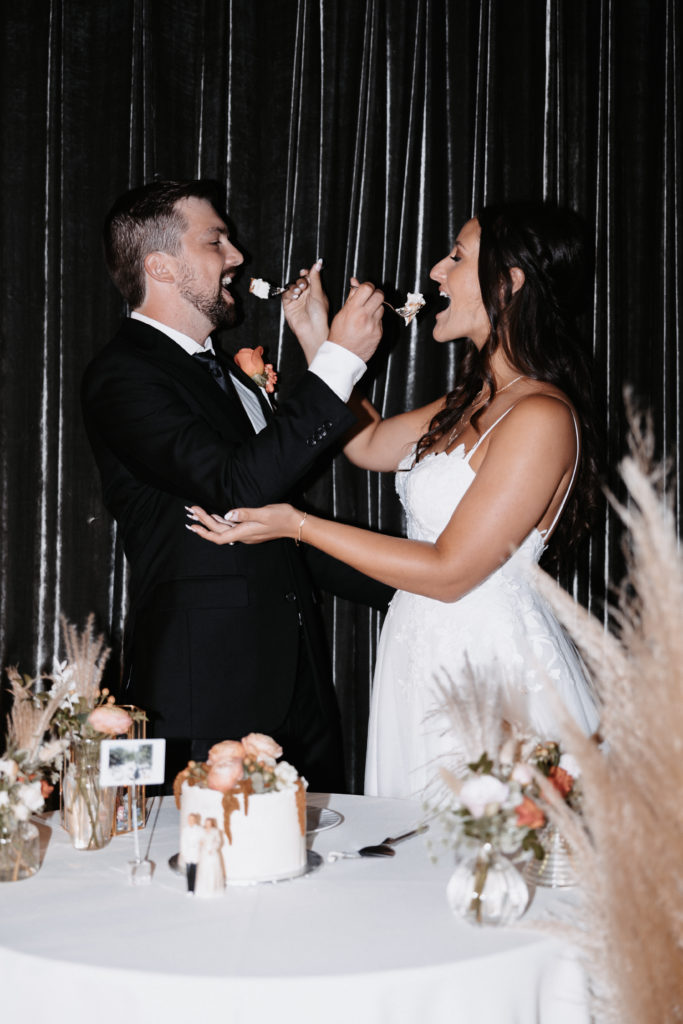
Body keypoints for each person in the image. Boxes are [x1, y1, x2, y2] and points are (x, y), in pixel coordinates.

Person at [187, 202, 602, 799]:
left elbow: (451, 572)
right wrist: (317, 333)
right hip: (419, 654)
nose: (436, 271)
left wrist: (298, 525)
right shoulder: (471, 400)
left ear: (508, 283)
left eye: (457, 257)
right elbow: (369, 443)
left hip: (488, 668)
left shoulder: (540, 415)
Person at [81, 178, 387, 793]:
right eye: (215, 241)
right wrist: (339, 359)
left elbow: (278, 522)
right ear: (160, 267)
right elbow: (234, 484)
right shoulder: (123, 375)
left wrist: (416, 587)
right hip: (203, 692)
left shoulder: (225, 373)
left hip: (298, 685)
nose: (238, 255)